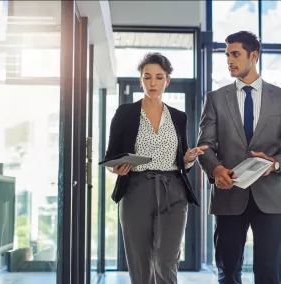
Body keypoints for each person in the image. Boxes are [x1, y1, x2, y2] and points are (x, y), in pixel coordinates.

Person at [197, 31, 281, 284]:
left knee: (269, 273)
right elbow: (205, 146)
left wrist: (275, 163)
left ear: (254, 56)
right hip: (228, 195)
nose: (229, 61)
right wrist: (216, 170)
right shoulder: (215, 99)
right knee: (228, 273)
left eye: (235, 54)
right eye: (227, 55)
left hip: (271, 198)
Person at [104, 52, 206, 284]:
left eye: (159, 77)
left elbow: (182, 159)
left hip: (174, 190)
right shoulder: (125, 113)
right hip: (136, 190)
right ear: (140, 79)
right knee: (140, 261)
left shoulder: (179, 117)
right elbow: (112, 156)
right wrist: (117, 168)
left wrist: (188, 158)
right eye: (147, 77)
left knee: (166, 259)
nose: (152, 83)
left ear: (167, 81)